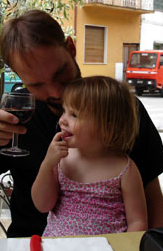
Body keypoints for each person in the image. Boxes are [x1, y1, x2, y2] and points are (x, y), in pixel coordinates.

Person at [0, 10, 163, 237]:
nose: (56, 92)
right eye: (37, 85)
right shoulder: (9, 117)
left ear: (71, 48)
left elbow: (152, 200)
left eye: (59, 73)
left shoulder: (117, 110)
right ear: (19, 77)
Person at [32, 76, 148, 236]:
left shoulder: (124, 169)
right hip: (58, 245)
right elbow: (42, 205)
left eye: (74, 115)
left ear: (107, 126)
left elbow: (137, 221)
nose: (62, 120)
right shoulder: (61, 159)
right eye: (64, 111)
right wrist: (47, 164)